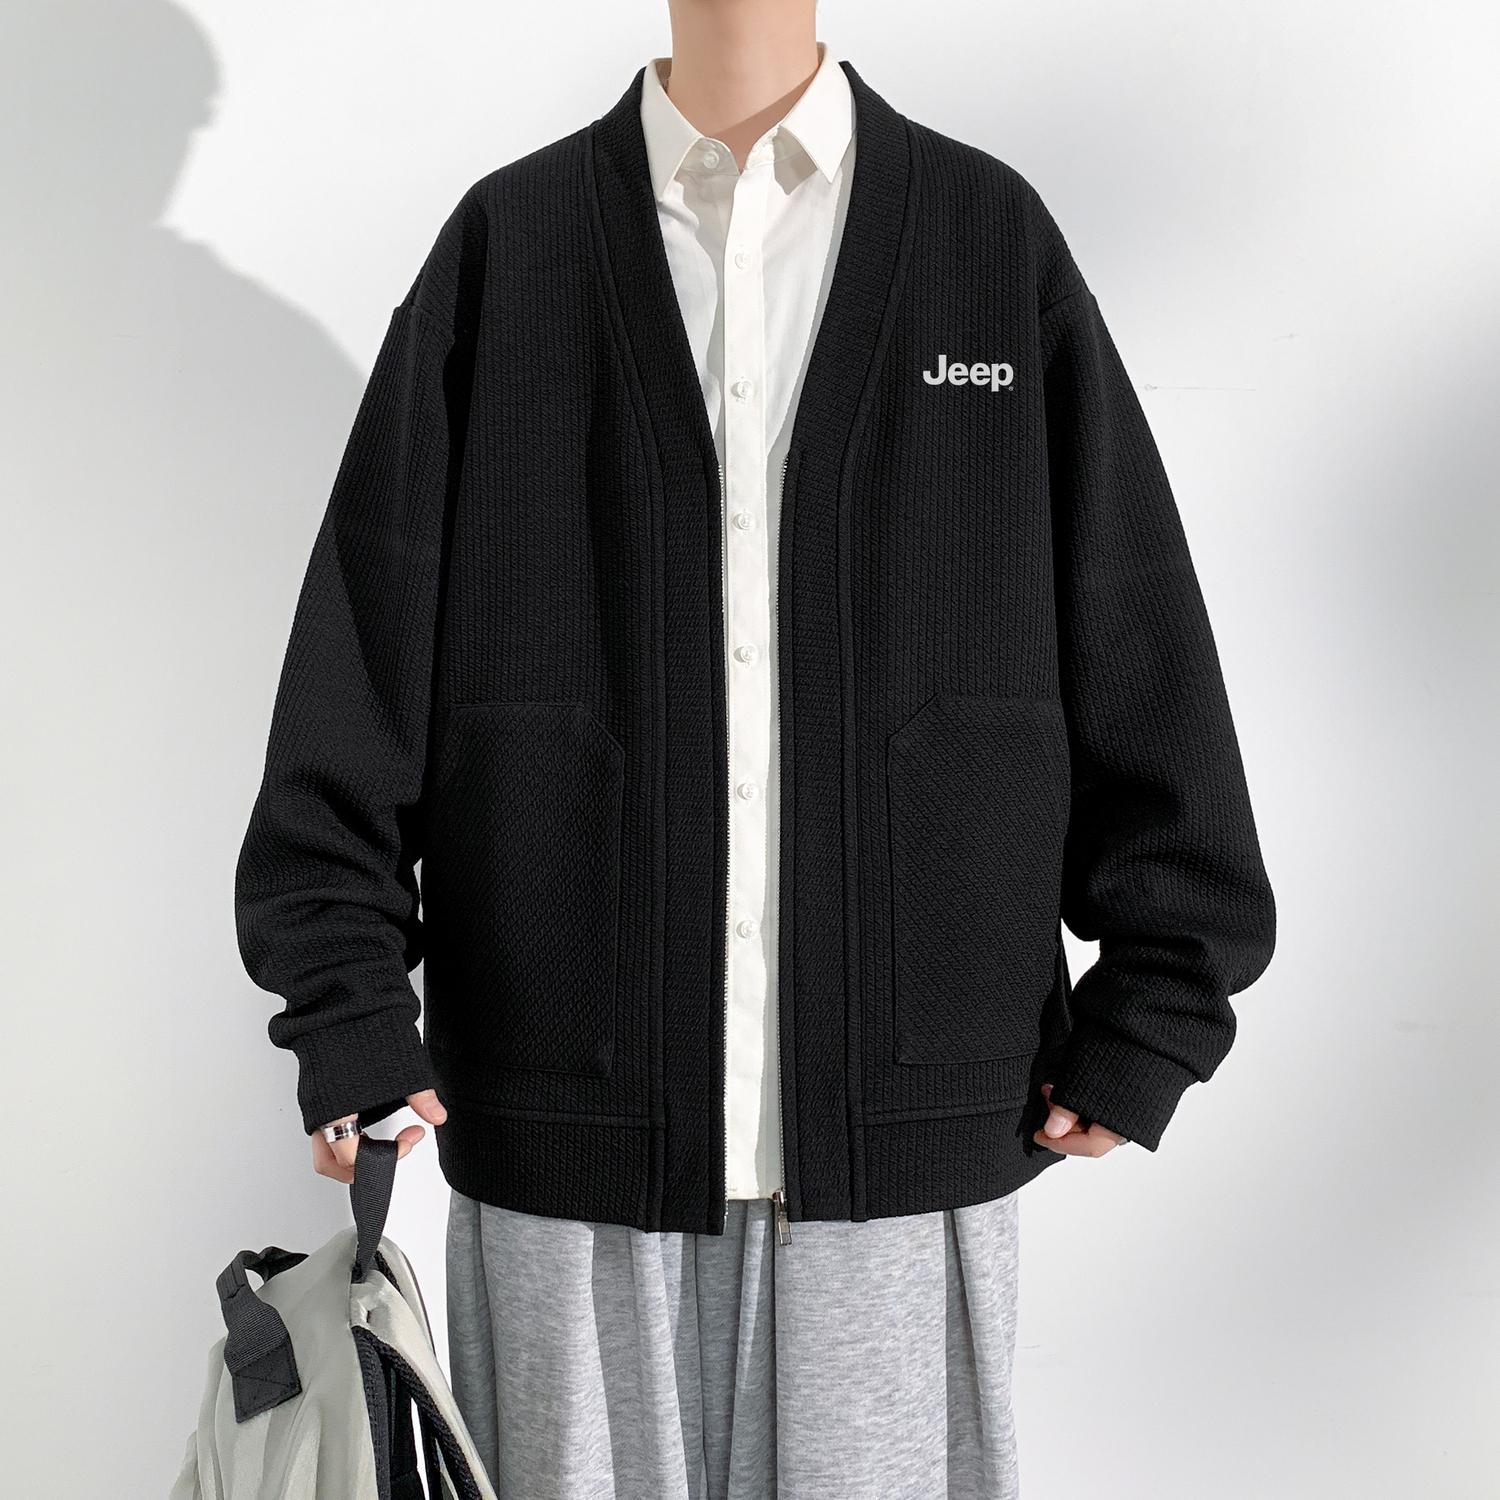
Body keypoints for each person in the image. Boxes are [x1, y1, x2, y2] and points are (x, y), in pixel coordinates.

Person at [234, 3, 1276, 1494]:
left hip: (902, 1163)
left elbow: (1135, 632)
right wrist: (346, 1013)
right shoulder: (511, 247)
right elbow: (358, 668)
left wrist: (1161, 1000)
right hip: (567, 1152)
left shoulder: (987, 240)